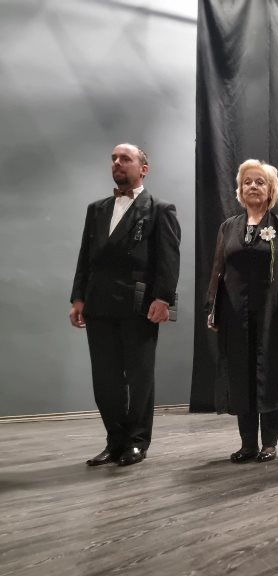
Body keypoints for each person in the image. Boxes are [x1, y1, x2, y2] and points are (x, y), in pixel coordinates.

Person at [70, 143, 181, 467]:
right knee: (105, 379)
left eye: (125, 158)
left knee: (139, 376)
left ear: (143, 169)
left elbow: (169, 260)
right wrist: (78, 298)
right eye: (114, 159)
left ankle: (137, 442)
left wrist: (164, 299)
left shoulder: (160, 209)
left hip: (139, 303)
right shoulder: (96, 209)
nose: (117, 163)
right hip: (98, 302)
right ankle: (115, 440)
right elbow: (85, 257)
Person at [206, 159, 278, 463]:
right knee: (241, 375)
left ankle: (269, 443)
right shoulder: (228, 227)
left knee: (271, 373)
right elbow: (218, 270)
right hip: (236, 313)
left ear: (271, 190)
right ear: (240, 189)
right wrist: (213, 308)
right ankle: (248, 443)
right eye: (247, 182)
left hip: (272, 312)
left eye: (260, 182)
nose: (253, 186)